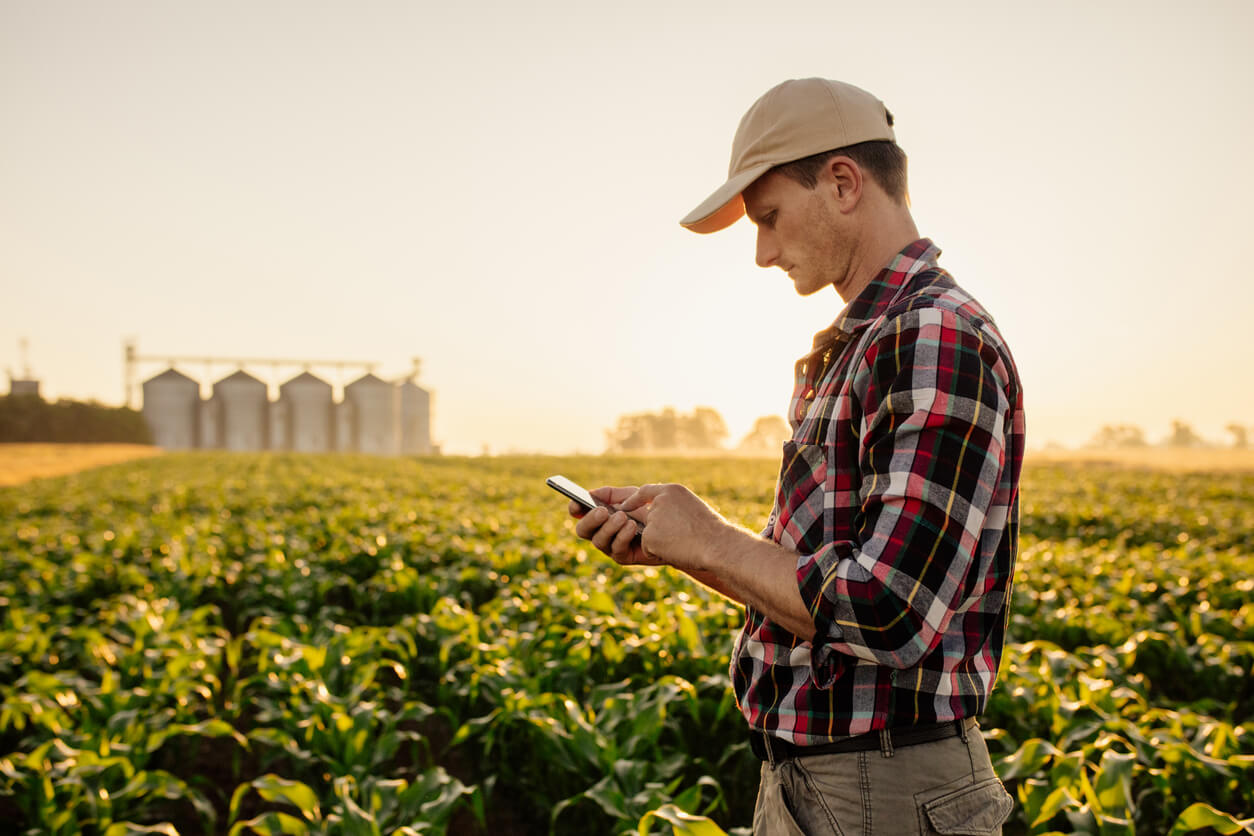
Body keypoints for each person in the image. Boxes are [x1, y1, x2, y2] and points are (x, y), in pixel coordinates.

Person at [570, 77, 1025, 835]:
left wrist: (713, 538)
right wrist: (689, 551)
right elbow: (825, 601)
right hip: (824, 784)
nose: (761, 252)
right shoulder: (868, 343)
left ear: (843, 182)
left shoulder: (932, 335)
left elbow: (892, 610)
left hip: (885, 790)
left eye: (769, 218)